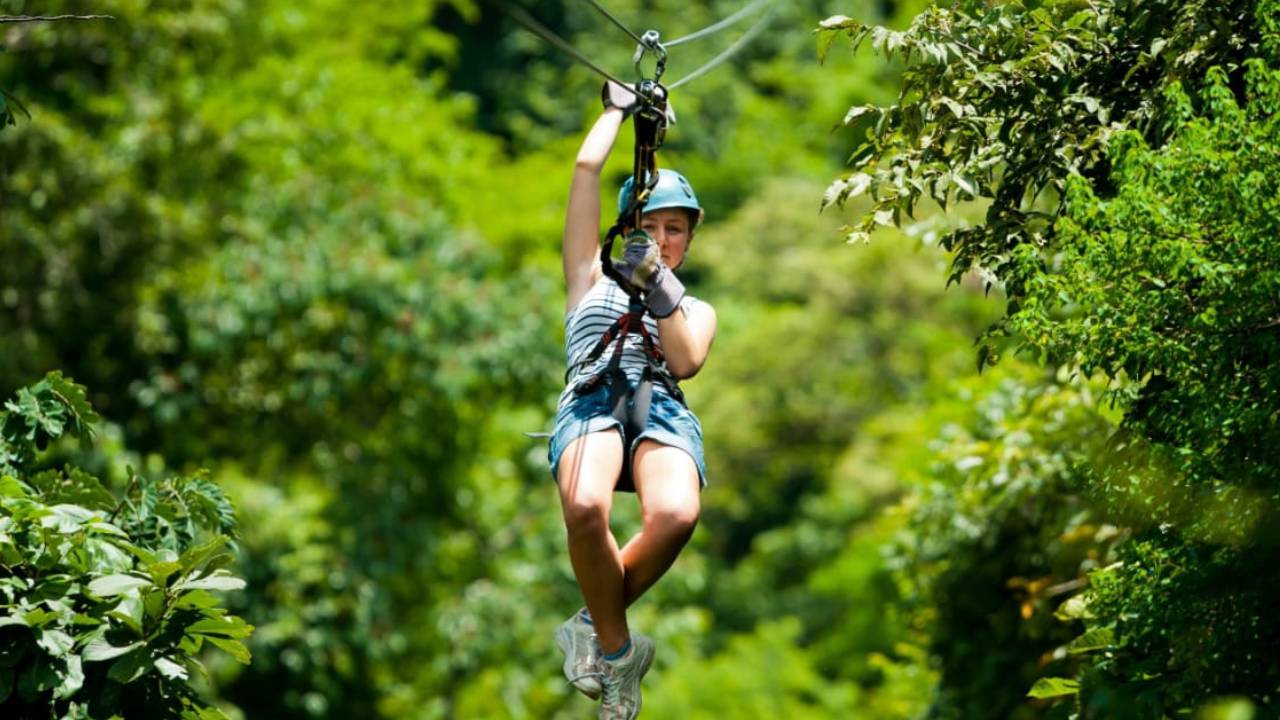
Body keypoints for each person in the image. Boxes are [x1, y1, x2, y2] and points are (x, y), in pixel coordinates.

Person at [547, 81, 717, 720]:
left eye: (675, 229)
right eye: (649, 226)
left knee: (676, 514)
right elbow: (586, 169)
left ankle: (590, 623)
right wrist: (617, 113)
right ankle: (618, 656)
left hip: (660, 405)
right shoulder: (587, 276)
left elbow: (687, 360)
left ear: (689, 241)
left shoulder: (697, 307)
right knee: (586, 506)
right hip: (594, 397)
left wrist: (660, 289)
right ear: (626, 230)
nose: (663, 238)